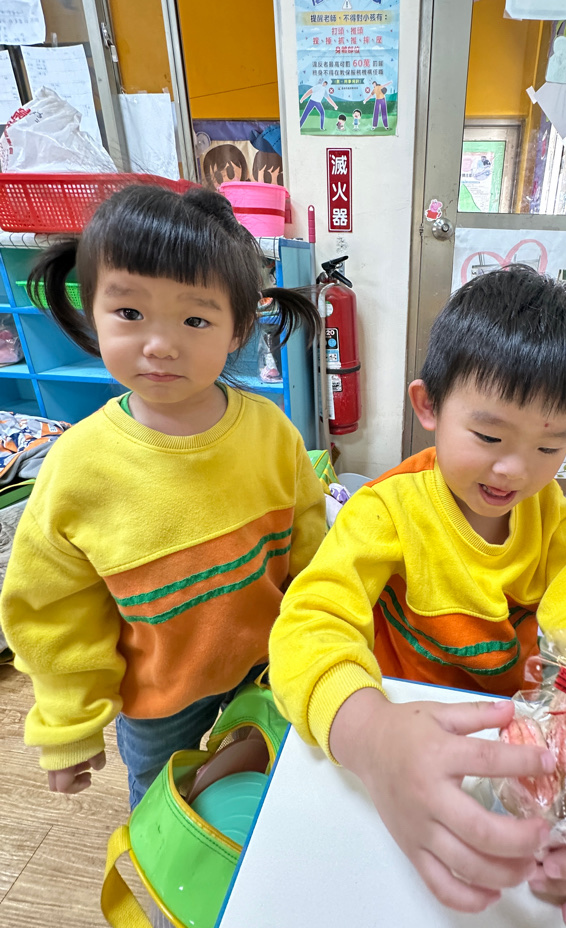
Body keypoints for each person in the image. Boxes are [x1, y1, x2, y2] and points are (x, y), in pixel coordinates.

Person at [270, 266, 566, 927]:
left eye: (551, 445)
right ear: (428, 406)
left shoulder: (563, 530)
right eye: (489, 436)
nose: (515, 468)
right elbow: (308, 625)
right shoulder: (387, 511)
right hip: (402, 734)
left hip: (511, 756)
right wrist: (370, 735)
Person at [0, 185, 326, 811]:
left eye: (195, 320)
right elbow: (53, 613)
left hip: (267, 663)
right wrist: (70, 725)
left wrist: (323, 634)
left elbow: (311, 549)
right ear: (91, 310)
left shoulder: (271, 432)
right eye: (129, 312)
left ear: (238, 329)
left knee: (262, 783)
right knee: (158, 804)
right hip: (156, 696)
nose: (160, 345)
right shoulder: (78, 466)